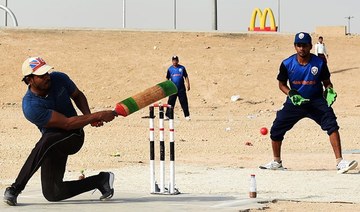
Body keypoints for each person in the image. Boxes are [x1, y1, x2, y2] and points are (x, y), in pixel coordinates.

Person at [3, 57, 117, 206]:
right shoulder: (31, 106)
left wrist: (88, 115)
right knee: (53, 193)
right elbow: (66, 123)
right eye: (41, 75)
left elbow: (77, 95)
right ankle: (100, 180)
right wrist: (96, 116)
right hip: (54, 141)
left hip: (74, 136)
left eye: (47, 73)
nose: (47, 77)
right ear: (29, 79)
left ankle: (15, 189)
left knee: (47, 141)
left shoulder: (59, 78)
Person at [259, 32, 358, 174]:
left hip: (316, 101)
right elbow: (281, 84)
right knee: (276, 129)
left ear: (311, 46)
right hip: (296, 102)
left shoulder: (319, 63)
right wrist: (291, 94)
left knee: (332, 125)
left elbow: (327, 83)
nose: (301, 48)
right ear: (294, 47)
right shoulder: (287, 63)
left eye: (304, 45)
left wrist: (329, 91)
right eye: (299, 45)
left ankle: (340, 162)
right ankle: (276, 162)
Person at [165, 55, 191, 120]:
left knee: (184, 101)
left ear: (178, 61)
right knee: (170, 102)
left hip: (181, 88)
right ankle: (167, 115)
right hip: (173, 88)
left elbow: (186, 76)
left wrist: (188, 84)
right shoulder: (170, 69)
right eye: (173, 60)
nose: (175, 62)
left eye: (176, 60)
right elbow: (167, 78)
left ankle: (187, 116)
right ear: (172, 61)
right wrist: (166, 86)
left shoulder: (182, 68)